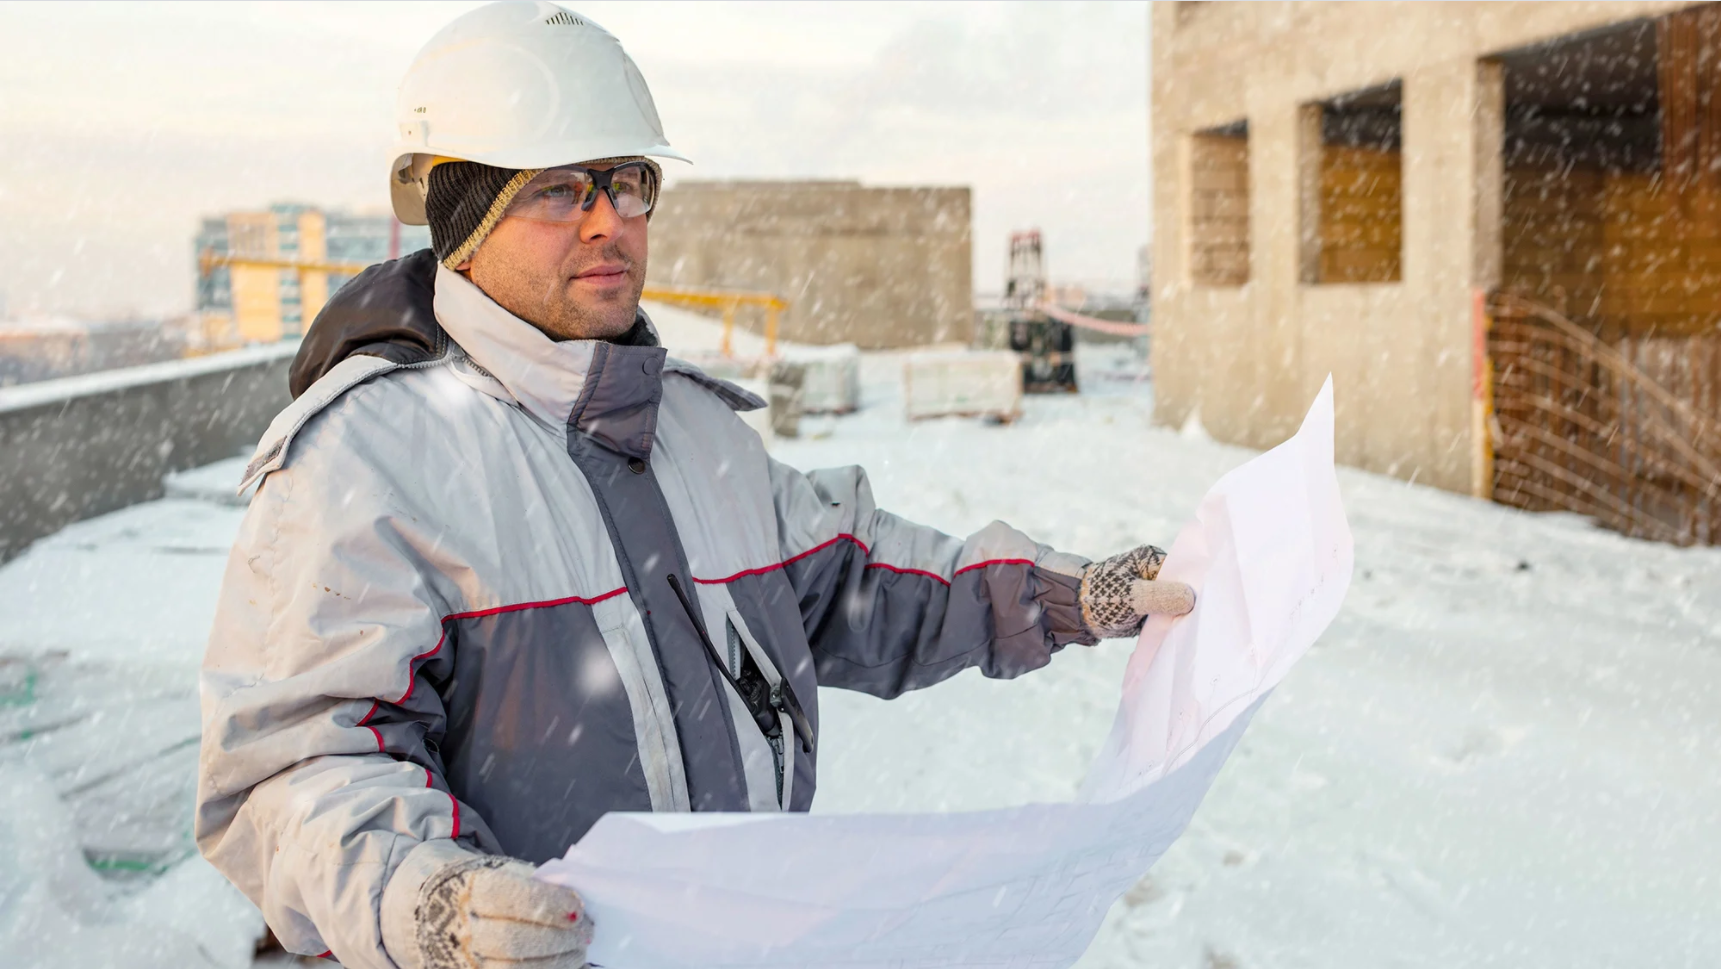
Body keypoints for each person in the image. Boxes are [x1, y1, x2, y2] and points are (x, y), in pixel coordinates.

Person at [194, 4, 1194, 968]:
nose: (608, 223)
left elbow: (857, 579)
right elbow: (295, 772)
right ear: (463, 215)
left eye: (626, 184)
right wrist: (431, 902)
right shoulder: (363, 462)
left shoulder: (690, 424)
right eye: (558, 190)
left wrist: (1060, 595)